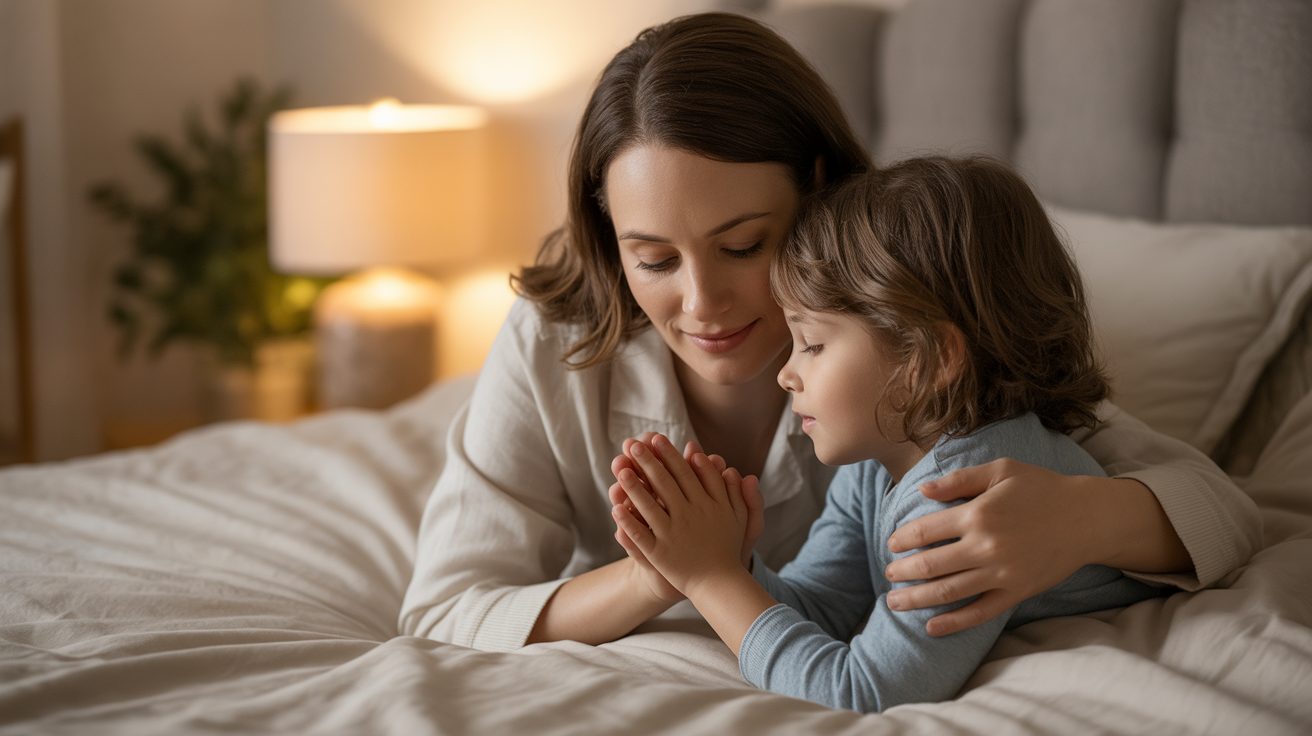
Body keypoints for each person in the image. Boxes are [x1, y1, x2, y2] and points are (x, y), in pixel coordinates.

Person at [397, 12, 1259, 652]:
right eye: (653, 259)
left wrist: (1081, 520)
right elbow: (444, 607)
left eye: (743, 246)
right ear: (606, 232)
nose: (702, 304)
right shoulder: (556, 337)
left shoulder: (911, 326)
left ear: (815, 188)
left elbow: (1219, 506)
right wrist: (662, 576)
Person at [608, 156, 1163, 712]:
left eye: (813, 344)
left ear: (927, 360)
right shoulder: (879, 464)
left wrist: (710, 579)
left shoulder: (962, 496)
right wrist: (724, 556)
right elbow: (821, 607)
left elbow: (860, 693)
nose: (786, 373)